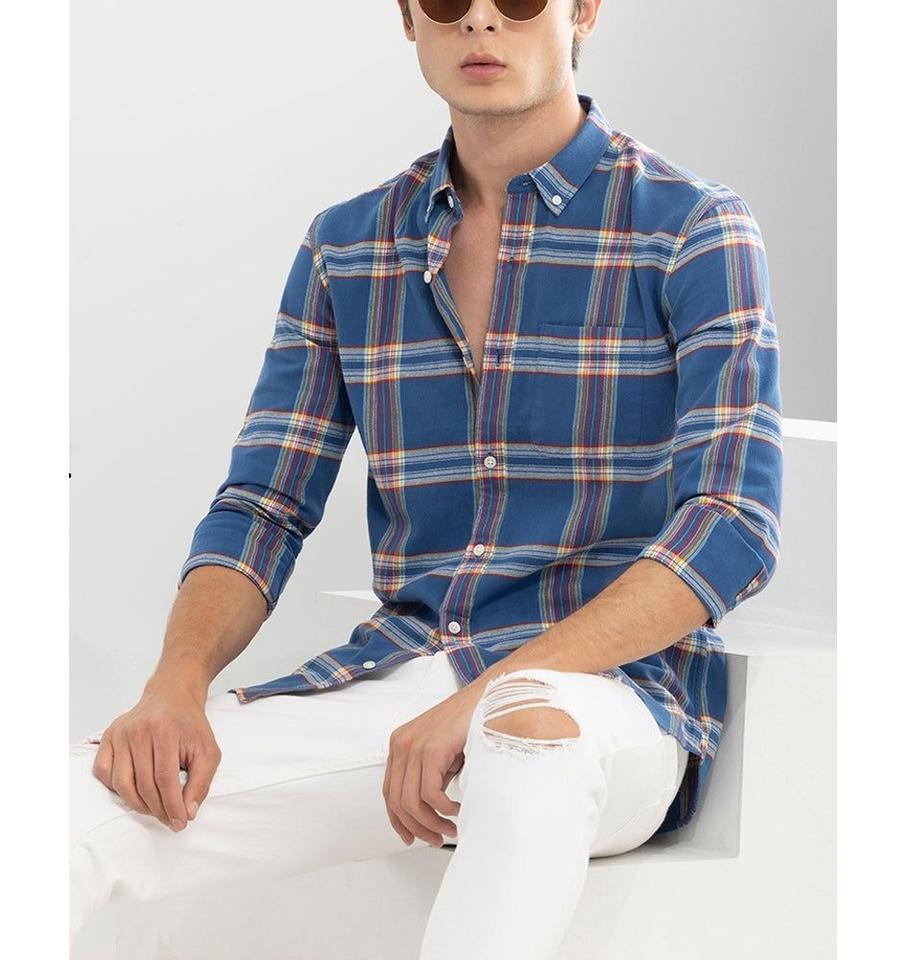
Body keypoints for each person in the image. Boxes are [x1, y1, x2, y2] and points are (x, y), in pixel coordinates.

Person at [70, 1, 783, 957]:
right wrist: (175, 683)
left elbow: (734, 523)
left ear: (584, 10)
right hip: (409, 675)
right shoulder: (348, 245)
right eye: (447, 0)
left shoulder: (693, 228)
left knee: (524, 738)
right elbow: (263, 506)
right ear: (409, 19)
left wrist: (494, 689)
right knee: (66, 807)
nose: (480, 20)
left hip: (613, 698)